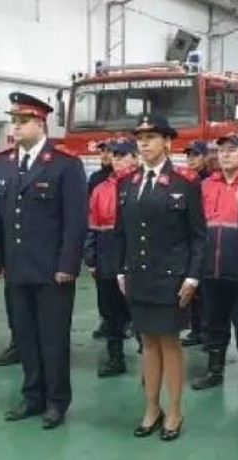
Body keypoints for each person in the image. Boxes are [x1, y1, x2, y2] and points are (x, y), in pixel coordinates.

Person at [0, 92, 87, 429]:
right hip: (17, 267)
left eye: (23, 120)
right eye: (13, 121)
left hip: (51, 270)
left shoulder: (64, 164)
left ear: (41, 123)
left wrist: (67, 265)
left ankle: (57, 401)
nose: (15, 127)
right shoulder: (2, 163)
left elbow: (75, 221)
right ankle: (32, 396)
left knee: (53, 338)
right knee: (25, 337)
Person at [116, 114, 206, 442]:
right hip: (138, 275)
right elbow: (121, 233)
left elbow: (198, 236)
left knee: (169, 342)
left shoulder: (185, 181)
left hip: (172, 278)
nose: (144, 143)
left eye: (151, 137)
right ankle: (151, 408)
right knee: (147, 343)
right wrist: (120, 269)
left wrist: (193, 277)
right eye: (140, 138)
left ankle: (175, 411)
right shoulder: (126, 182)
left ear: (167, 142)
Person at [190, 133, 238, 397]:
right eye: (221, 151)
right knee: (213, 324)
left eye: (232, 150)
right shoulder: (206, 185)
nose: (226, 155)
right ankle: (214, 371)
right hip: (211, 269)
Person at [83, 137, 138, 378]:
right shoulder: (100, 189)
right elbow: (92, 226)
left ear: (135, 158)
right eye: (114, 155)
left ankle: (152, 361)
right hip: (107, 258)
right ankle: (115, 357)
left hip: (137, 260)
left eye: (122, 155)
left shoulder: (143, 186)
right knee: (111, 312)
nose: (117, 160)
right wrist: (91, 257)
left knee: (140, 312)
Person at [179, 140, 209, 348]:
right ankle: (196, 329)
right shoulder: (186, 181)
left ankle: (207, 331)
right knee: (193, 290)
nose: (191, 160)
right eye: (189, 156)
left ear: (205, 157)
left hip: (206, 238)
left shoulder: (210, 180)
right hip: (187, 239)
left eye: (196, 156)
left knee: (206, 291)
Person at [87, 139, 113, 339]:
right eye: (102, 151)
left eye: (110, 152)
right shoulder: (95, 180)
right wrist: (90, 254)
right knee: (104, 291)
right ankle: (107, 321)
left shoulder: (132, 181)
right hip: (103, 244)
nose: (105, 155)